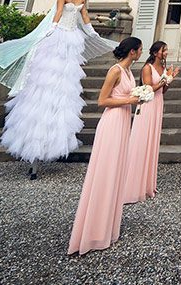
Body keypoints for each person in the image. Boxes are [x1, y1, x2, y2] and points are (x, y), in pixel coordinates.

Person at [0, 0, 115, 179]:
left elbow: (85, 18)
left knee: (65, 76)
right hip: (59, 34)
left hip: (72, 37)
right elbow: (58, 14)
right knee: (46, 74)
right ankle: (32, 152)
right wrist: (52, 29)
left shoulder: (81, 1)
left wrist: (92, 33)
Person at [68, 37, 141, 256]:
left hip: (123, 121)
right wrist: (130, 100)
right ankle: (92, 229)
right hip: (112, 123)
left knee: (116, 172)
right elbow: (102, 101)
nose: (140, 54)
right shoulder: (115, 71)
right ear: (132, 52)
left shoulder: (128, 72)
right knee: (105, 172)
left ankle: (106, 226)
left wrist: (137, 97)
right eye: (139, 50)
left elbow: (126, 95)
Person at [122, 41, 179, 204]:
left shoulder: (162, 68)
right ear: (155, 53)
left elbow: (162, 90)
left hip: (158, 104)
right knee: (142, 142)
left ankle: (147, 185)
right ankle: (133, 186)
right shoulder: (147, 68)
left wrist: (169, 79)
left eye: (167, 49)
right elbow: (147, 89)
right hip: (148, 106)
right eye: (164, 50)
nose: (166, 52)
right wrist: (163, 80)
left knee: (152, 143)